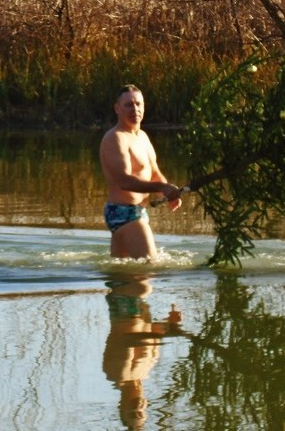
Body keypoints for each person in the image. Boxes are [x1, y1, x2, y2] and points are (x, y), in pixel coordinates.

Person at [99, 85, 182, 260]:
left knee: (123, 278)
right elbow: (124, 181)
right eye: (128, 104)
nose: (135, 109)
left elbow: (154, 172)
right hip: (123, 213)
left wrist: (167, 190)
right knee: (150, 270)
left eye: (138, 104)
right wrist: (161, 186)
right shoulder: (116, 138)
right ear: (117, 108)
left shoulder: (142, 137)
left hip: (138, 212)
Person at [102, 274, 183, 430]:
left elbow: (128, 339)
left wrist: (165, 336)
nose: (138, 408)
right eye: (142, 412)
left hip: (124, 306)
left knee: (144, 283)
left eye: (132, 413)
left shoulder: (116, 374)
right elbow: (152, 330)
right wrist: (169, 324)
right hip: (140, 306)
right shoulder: (144, 372)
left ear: (122, 407)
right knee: (142, 266)